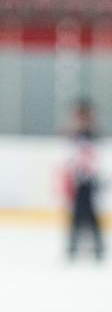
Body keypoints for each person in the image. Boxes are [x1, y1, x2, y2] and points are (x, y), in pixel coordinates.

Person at [64, 99, 103, 261]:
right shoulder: (77, 135)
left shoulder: (91, 134)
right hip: (79, 180)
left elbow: (92, 157)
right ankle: (74, 245)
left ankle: (97, 246)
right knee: (76, 213)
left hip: (89, 180)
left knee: (90, 213)